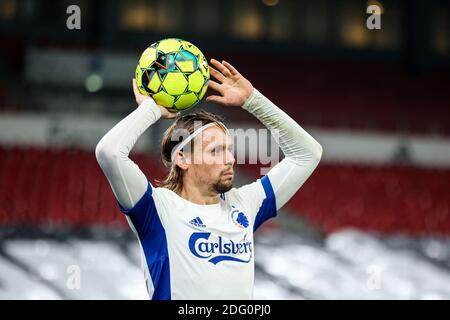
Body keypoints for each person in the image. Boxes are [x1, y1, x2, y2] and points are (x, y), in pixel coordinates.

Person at [95, 58, 323, 300]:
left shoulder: (245, 204)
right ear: (182, 159)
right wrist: (152, 109)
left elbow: (308, 154)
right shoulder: (157, 210)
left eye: (229, 149)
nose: (230, 159)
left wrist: (253, 101)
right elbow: (109, 152)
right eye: (216, 150)